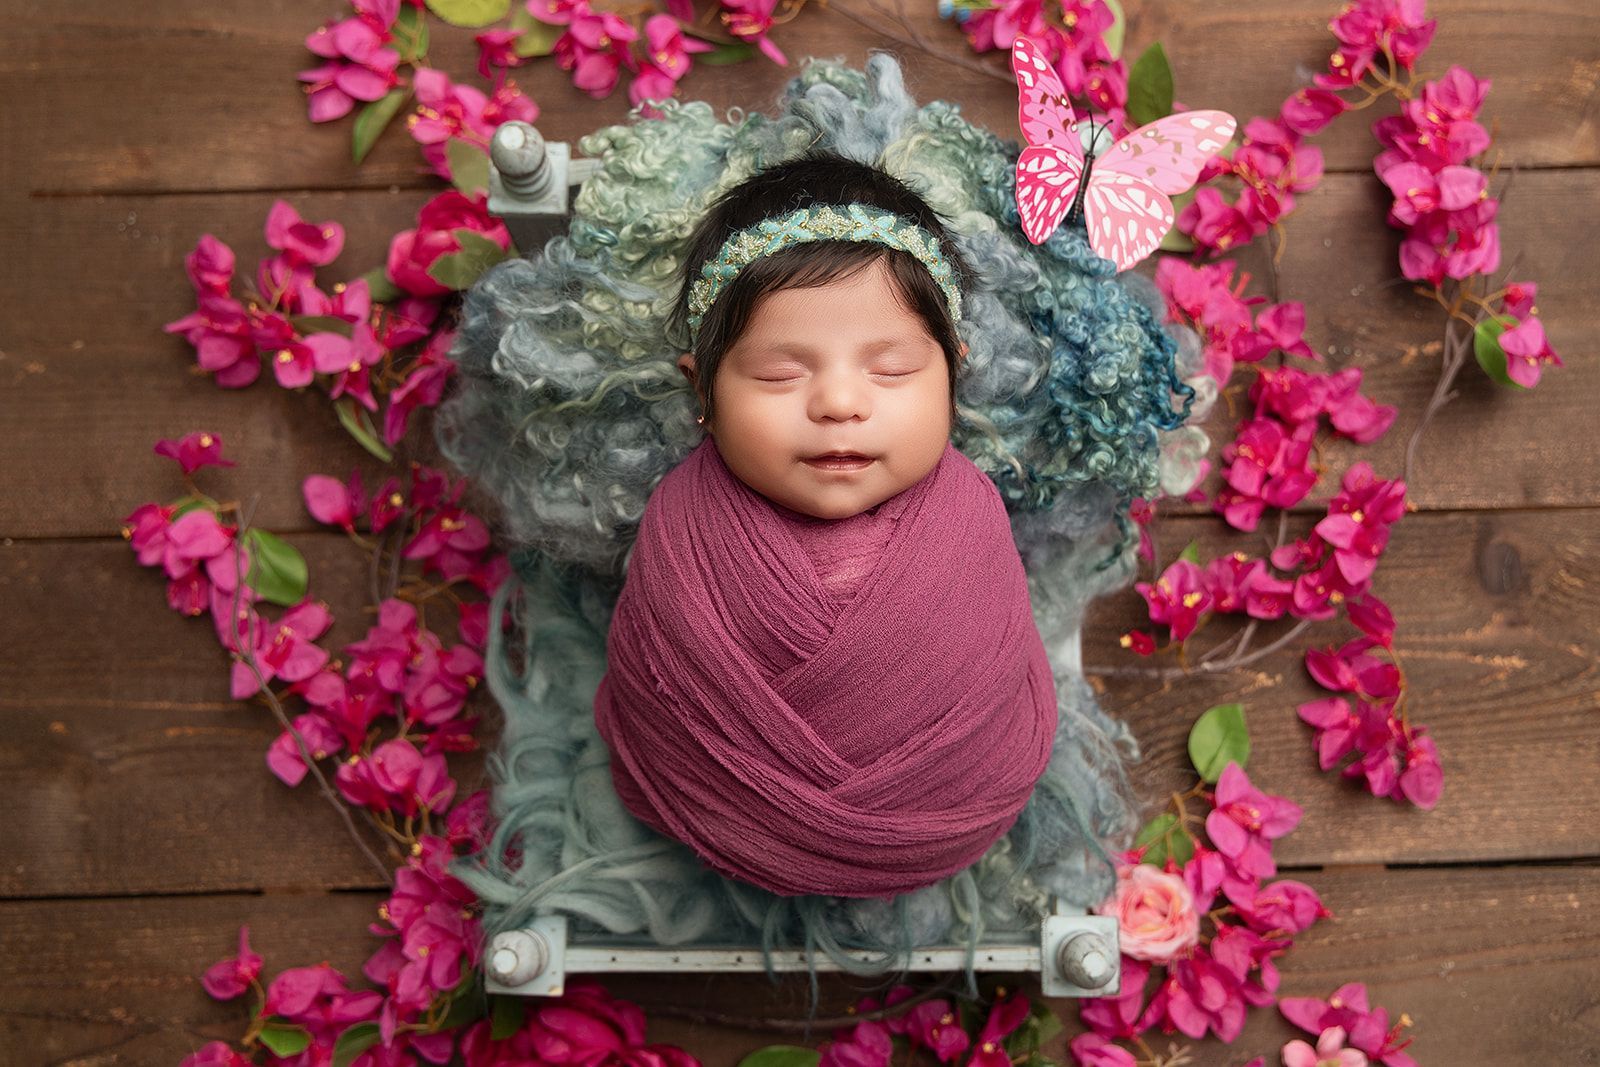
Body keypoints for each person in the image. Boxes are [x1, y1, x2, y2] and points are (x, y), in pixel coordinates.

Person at [593, 155, 1061, 898]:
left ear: (954, 378)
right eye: (781, 374)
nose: (840, 401)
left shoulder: (973, 518)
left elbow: (1001, 672)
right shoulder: (681, 530)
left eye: (893, 369)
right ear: (701, 393)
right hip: (715, 815)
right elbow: (656, 696)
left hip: (953, 813)